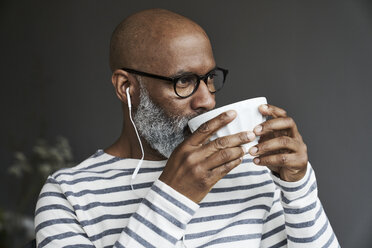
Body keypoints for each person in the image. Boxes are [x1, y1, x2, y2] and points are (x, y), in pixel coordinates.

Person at [34, 8, 340, 248]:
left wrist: (298, 188)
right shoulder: (66, 194)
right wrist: (174, 194)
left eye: (209, 78)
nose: (207, 100)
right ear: (127, 86)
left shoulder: (250, 171)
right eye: (184, 81)